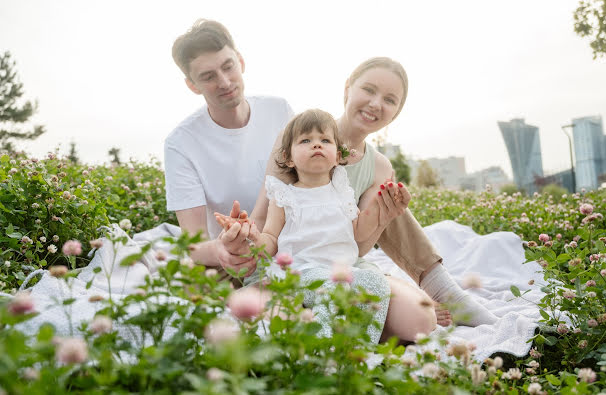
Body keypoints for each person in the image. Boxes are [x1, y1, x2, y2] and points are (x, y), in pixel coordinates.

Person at [249, 57, 498, 327]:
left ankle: (428, 295)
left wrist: (383, 216)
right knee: (285, 321)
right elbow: (265, 216)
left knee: (419, 319)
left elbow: (357, 245)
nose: (376, 104)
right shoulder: (299, 133)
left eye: (390, 100)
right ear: (348, 89)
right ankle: (438, 289)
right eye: (368, 90)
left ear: (396, 113)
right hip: (290, 262)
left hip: (342, 263)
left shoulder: (379, 165)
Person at [221, 108, 436, 344]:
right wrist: (253, 236)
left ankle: (358, 346)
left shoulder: (341, 189)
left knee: (376, 284)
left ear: (338, 155)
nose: (317, 145)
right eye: (306, 140)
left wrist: (381, 210)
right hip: (302, 273)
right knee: (335, 290)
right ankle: (324, 349)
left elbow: (357, 231)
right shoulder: (284, 195)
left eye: (325, 140)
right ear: (289, 157)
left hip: (344, 271)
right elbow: (270, 239)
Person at [164, 19, 293, 283]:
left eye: (228, 67)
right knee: (197, 291)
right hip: (233, 255)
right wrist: (223, 249)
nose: (224, 82)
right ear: (192, 85)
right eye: (208, 76)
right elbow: (194, 244)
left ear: (241, 62)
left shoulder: (279, 111)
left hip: (291, 240)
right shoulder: (180, 143)